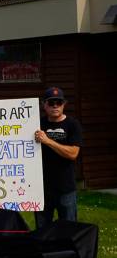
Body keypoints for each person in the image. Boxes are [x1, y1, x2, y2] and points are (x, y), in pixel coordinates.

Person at [34, 86, 82, 227]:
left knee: (69, 229)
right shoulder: (37, 124)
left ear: (64, 104)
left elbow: (73, 153)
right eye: (51, 102)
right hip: (42, 188)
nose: (55, 106)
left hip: (66, 187)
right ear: (44, 105)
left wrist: (48, 141)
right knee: (42, 230)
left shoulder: (73, 124)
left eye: (59, 102)